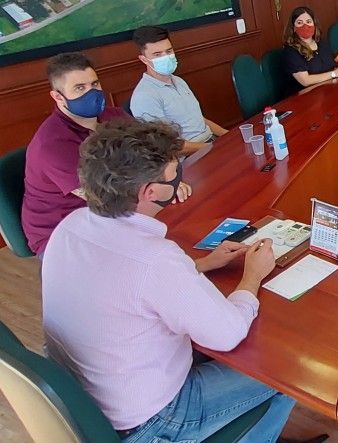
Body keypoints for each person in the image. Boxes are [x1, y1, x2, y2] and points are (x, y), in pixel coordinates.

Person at [41, 119, 298, 442]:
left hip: (88, 400)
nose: (180, 179)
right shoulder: (154, 258)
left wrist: (201, 264)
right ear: (149, 192)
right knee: (288, 372)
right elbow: (228, 333)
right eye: (174, 174)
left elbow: (124, 286)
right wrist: (252, 275)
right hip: (153, 420)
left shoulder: (70, 226)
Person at [21, 52, 190, 257]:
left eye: (94, 84)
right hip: (64, 233)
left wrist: (168, 180)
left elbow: (152, 152)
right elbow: (105, 198)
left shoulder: (113, 116)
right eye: (79, 88)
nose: (91, 93)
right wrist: (163, 188)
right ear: (58, 96)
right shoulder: (51, 146)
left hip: (114, 214)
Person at [130, 26, 228, 155]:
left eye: (169, 51)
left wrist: (228, 136)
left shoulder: (178, 81)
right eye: (157, 54)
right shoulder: (144, 96)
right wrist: (211, 147)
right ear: (144, 59)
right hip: (188, 157)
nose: (166, 57)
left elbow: (199, 119)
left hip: (209, 142)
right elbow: (167, 145)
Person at [282, 6, 338, 94]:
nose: (305, 26)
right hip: (304, 98)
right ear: (293, 27)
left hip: (326, 91)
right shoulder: (291, 51)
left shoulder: (321, 43)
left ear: (314, 24)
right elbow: (305, 81)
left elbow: (330, 67)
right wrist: (335, 73)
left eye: (308, 22)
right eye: (299, 23)